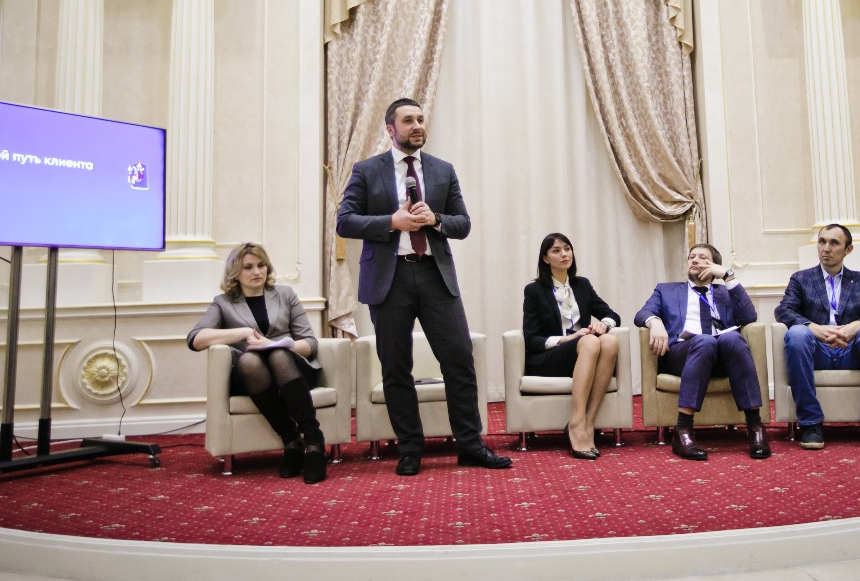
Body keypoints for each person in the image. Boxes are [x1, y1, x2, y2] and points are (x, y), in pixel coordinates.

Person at [336, 98, 512, 476]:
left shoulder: (442, 170)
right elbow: (345, 222)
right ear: (390, 129)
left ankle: (470, 445)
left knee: (459, 360)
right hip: (389, 279)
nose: (417, 125)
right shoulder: (367, 170)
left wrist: (435, 220)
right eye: (408, 120)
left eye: (420, 119)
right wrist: (392, 222)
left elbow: (462, 223)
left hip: (435, 275)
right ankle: (410, 449)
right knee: (396, 367)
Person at [188, 242, 327, 483]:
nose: (257, 271)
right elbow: (195, 339)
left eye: (261, 265)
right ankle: (291, 440)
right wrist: (242, 333)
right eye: (248, 267)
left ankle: (314, 441)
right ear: (235, 272)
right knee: (250, 361)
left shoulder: (285, 295)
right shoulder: (223, 302)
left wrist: (279, 344)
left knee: (278, 355)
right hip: (252, 376)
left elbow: (310, 343)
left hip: (292, 370)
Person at [634, 243, 769, 461]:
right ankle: (683, 429)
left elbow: (748, 317)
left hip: (724, 355)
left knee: (733, 337)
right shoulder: (667, 290)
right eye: (692, 257)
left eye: (703, 258)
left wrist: (728, 276)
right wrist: (655, 322)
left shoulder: (726, 291)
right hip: (684, 354)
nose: (695, 260)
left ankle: (755, 427)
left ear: (715, 266)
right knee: (704, 341)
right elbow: (643, 313)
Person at [775, 223, 860, 452]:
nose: (826, 248)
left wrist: (856, 326)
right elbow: (784, 310)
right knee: (797, 334)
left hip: (851, 350)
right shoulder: (801, 279)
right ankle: (810, 423)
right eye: (822, 242)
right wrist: (813, 328)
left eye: (834, 243)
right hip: (817, 350)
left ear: (848, 249)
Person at [523, 233, 621, 459]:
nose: (564, 254)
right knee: (589, 341)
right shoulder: (534, 290)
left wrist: (603, 325)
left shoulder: (582, 285)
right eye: (556, 251)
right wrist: (564, 339)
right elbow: (531, 339)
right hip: (550, 358)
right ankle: (576, 421)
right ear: (545, 258)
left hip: (584, 354)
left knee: (609, 340)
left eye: (567, 249)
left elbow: (611, 314)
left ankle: (588, 422)